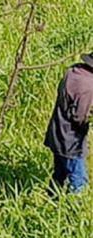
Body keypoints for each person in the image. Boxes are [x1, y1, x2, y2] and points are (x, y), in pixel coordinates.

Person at [44, 52, 93, 193]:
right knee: (79, 181)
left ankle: (50, 200)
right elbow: (79, 117)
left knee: (59, 173)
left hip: (56, 131)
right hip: (71, 141)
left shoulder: (72, 71)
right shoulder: (89, 87)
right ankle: (72, 212)